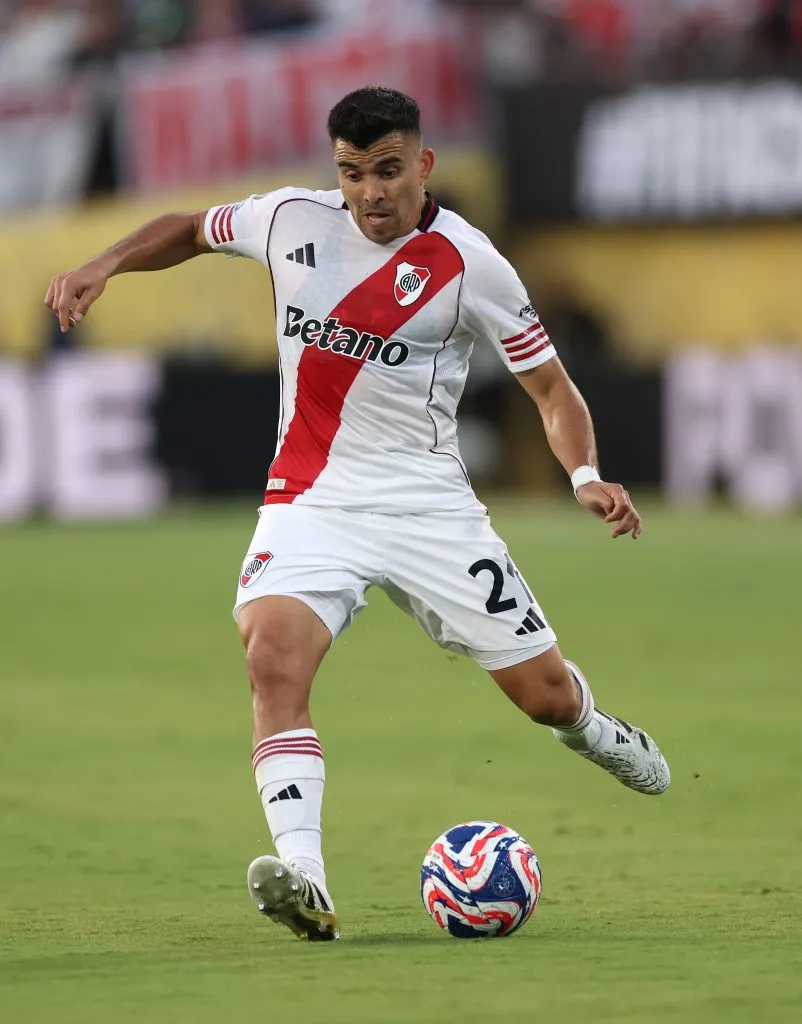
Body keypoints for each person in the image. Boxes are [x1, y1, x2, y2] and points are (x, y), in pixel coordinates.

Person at [45, 86, 670, 944]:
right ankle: (306, 880)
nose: (370, 192)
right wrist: (104, 264)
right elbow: (190, 228)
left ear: (424, 164)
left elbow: (551, 388)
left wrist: (585, 475)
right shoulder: (288, 220)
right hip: (311, 500)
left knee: (545, 698)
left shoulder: (470, 264)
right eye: (351, 173)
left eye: (386, 170)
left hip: (428, 507)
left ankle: (595, 730)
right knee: (272, 660)